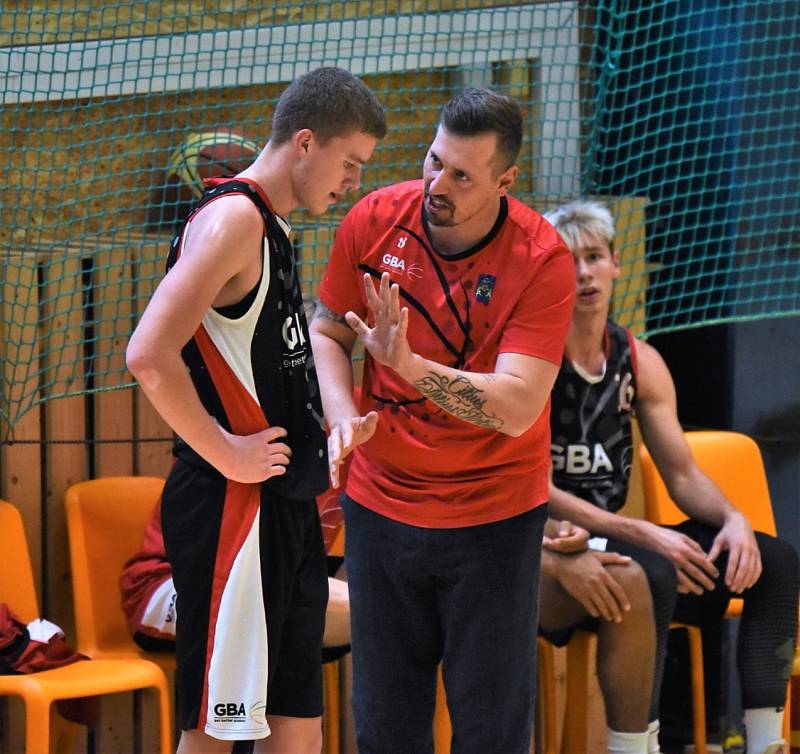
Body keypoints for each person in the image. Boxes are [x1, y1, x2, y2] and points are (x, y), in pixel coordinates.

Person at [125, 66, 386, 754]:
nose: (355, 182)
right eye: (350, 163)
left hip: (284, 507)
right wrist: (224, 449)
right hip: (233, 510)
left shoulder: (274, 229)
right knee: (215, 731)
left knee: (297, 721)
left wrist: (330, 424)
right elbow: (148, 354)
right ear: (305, 142)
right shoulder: (235, 220)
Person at [309, 88, 576, 753]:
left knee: (489, 731)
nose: (438, 183)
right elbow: (325, 332)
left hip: (494, 518)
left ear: (506, 181)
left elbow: (515, 409)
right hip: (380, 506)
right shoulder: (374, 220)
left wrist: (407, 364)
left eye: (462, 174)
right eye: (434, 160)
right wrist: (342, 416)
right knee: (386, 727)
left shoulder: (541, 259)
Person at [543, 199, 799, 754]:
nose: (583, 273)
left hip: (630, 546)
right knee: (655, 568)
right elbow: (533, 489)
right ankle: (641, 745)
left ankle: (764, 742)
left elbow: (682, 472)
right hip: (555, 551)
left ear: (615, 264)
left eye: (594, 257)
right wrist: (644, 534)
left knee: (773, 560)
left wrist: (733, 519)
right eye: (568, 261)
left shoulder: (638, 357)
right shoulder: (534, 358)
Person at [539, 516, 662, 754]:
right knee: (656, 572)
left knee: (628, 581)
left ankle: (632, 749)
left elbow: (521, 504)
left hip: (521, 548)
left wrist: (563, 531)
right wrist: (551, 562)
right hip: (469, 560)